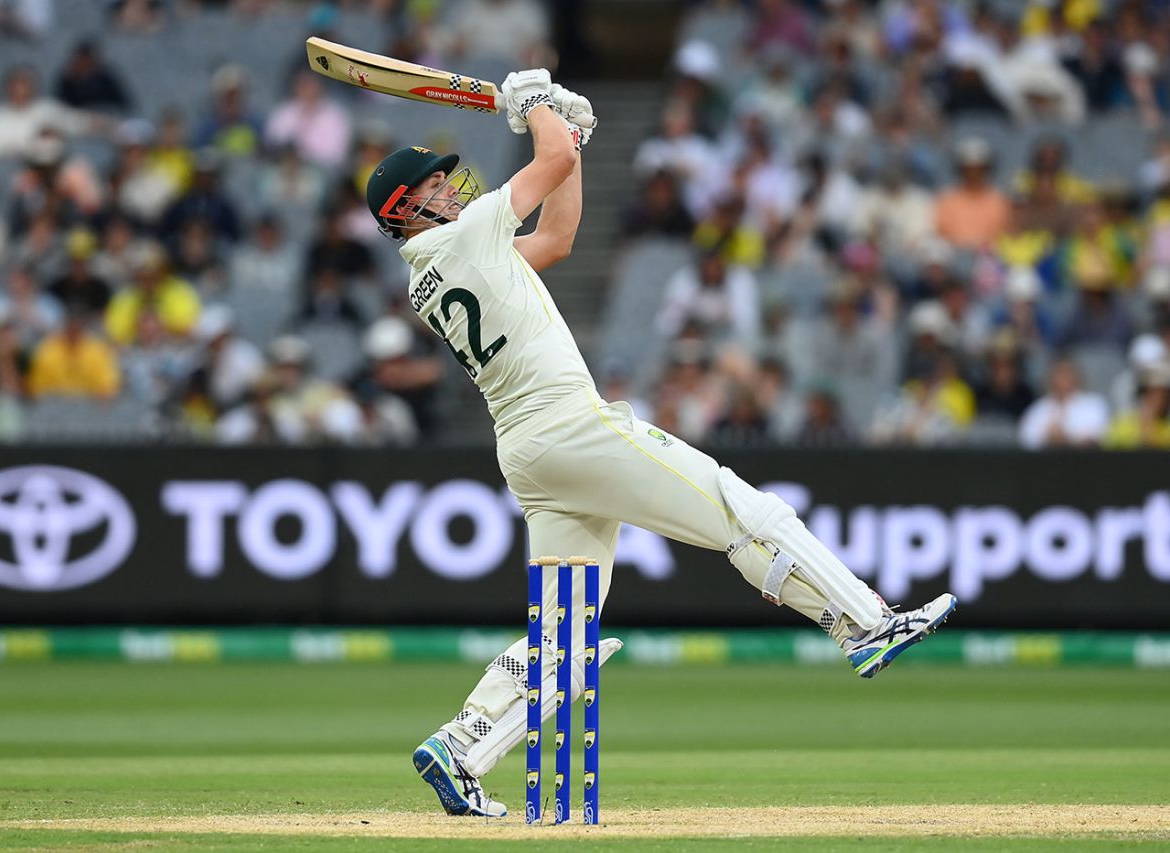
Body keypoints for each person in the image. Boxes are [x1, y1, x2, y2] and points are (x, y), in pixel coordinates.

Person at [365, 69, 957, 819]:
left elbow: (557, 234)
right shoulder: (465, 235)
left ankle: (461, 745)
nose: (451, 188)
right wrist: (537, 102)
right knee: (740, 508)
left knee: (567, 633)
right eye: (434, 186)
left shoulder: (443, 264)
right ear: (405, 210)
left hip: (528, 451)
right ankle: (865, 623)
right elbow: (542, 168)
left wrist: (570, 139)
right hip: (570, 426)